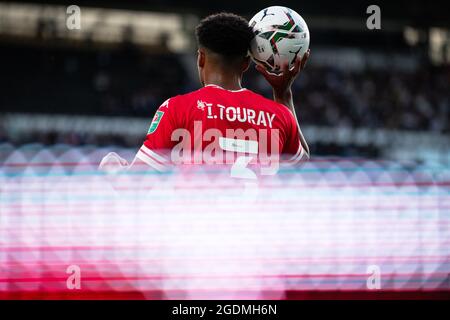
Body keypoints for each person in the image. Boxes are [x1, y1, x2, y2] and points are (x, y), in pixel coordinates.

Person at [100, 12, 310, 177]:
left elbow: (134, 185)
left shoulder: (177, 109)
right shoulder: (279, 116)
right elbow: (301, 161)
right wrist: (283, 95)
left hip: (197, 230)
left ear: (200, 58)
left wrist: (112, 169)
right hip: (257, 231)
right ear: (246, 64)